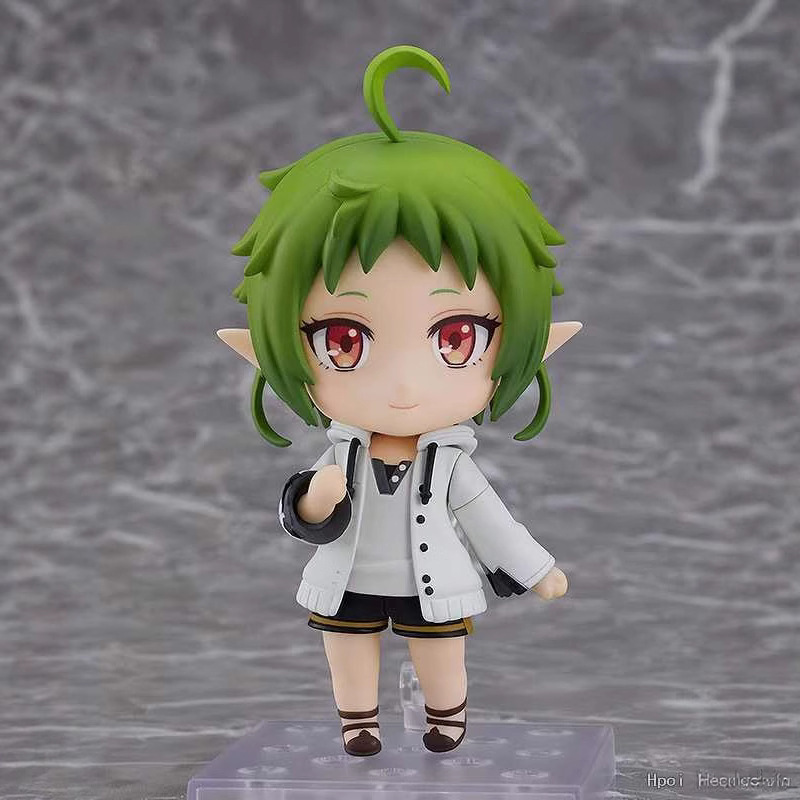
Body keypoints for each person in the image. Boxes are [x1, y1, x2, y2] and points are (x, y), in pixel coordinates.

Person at [218, 45, 580, 757]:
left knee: (440, 650)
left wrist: (536, 568)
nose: (406, 386)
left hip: (433, 582)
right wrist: (316, 498)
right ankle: (358, 721)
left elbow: (488, 519)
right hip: (345, 580)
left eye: (457, 337)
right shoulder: (339, 456)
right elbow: (304, 515)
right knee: (347, 649)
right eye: (343, 339)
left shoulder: (451, 463)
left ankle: (447, 716)